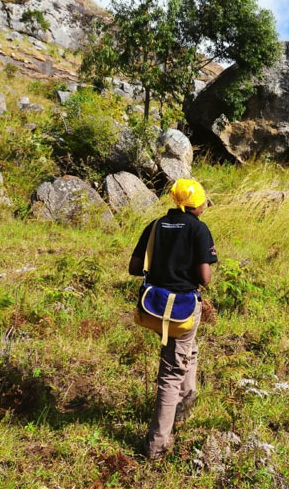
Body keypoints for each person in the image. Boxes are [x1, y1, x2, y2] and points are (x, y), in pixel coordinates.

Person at [128, 178, 217, 459]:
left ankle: (184, 408)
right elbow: (204, 278)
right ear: (196, 205)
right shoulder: (199, 230)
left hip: (154, 307)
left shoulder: (155, 225)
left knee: (187, 351)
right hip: (181, 311)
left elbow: (134, 267)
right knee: (170, 374)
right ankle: (156, 446)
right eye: (203, 201)